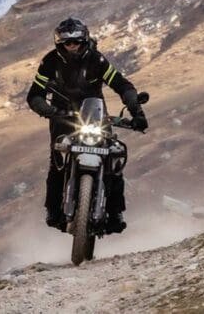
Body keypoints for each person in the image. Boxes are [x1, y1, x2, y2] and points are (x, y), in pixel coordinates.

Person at [26, 17, 148, 233]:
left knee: (113, 159)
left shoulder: (96, 60)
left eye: (76, 42)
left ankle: (115, 212)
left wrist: (136, 110)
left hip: (96, 116)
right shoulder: (49, 62)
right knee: (57, 161)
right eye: (67, 42)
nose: (72, 46)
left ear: (84, 41)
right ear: (60, 43)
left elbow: (121, 84)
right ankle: (53, 210)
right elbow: (35, 95)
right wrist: (49, 111)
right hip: (63, 117)